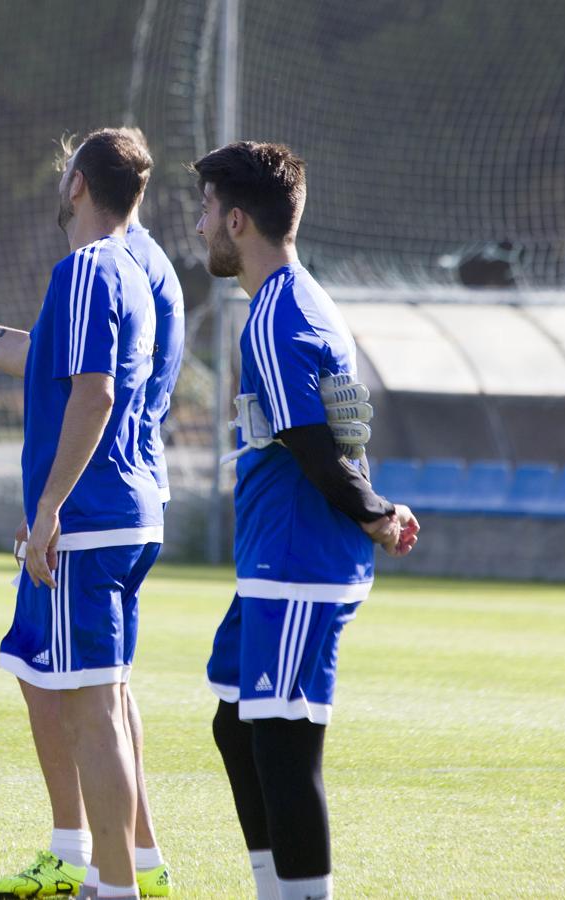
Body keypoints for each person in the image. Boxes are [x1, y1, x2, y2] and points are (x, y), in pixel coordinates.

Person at [0, 127, 181, 900]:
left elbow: (94, 394)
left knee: (91, 707)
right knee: (96, 693)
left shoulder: (86, 267)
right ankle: (125, 867)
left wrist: (48, 507)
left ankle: (112, 884)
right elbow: (51, 360)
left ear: (77, 183)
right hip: (130, 511)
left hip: (92, 515)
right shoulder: (134, 269)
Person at [189, 141, 419, 900]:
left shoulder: (277, 316)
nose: (198, 228)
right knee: (236, 724)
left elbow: (317, 447)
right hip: (278, 561)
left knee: (285, 747)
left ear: (236, 220)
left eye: (205, 213)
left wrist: (376, 513)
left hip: (299, 562)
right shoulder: (300, 298)